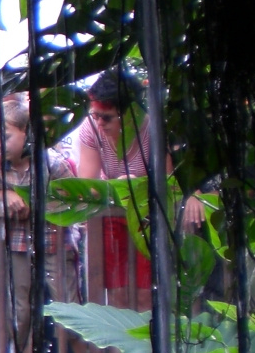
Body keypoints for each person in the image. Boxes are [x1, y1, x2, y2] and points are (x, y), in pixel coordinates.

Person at [75, 68, 204, 309]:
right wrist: (118, 187)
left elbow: (170, 181)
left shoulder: (154, 128)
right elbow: (88, 186)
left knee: (146, 294)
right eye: (96, 115)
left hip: (149, 215)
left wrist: (191, 195)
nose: (100, 122)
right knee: (118, 295)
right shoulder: (90, 128)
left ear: (131, 112)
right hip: (112, 214)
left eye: (107, 117)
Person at [0, 99, 73, 353]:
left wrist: (37, 202)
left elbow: (75, 195)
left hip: (55, 242)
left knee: (68, 306)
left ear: (27, 132)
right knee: (21, 311)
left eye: (6, 136)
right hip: (17, 245)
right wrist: (2, 195)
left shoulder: (51, 162)